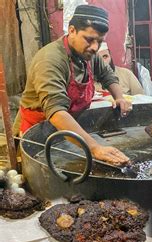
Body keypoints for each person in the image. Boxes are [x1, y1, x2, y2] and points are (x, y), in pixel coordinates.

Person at [13, 5, 131, 165]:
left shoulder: (88, 54)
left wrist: (119, 97)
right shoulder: (50, 60)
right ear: (72, 30)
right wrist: (95, 148)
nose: (95, 47)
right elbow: (56, 112)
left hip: (70, 129)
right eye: (89, 39)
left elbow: (107, 75)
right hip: (39, 133)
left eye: (100, 41)